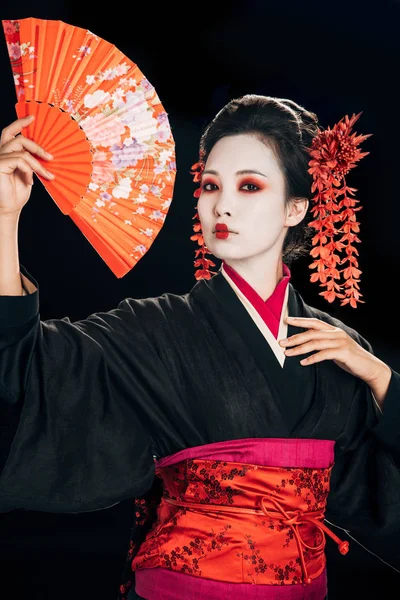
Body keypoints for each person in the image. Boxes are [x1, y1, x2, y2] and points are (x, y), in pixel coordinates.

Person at [0, 95, 399, 600]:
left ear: (295, 208)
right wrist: (4, 218)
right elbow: (26, 369)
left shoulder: (337, 347)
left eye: (249, 186)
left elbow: (379, 495)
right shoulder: (154, 328)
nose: (221, 205)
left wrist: (383, 380)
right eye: (211, 186)